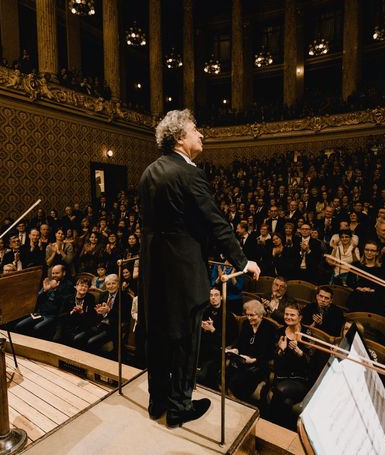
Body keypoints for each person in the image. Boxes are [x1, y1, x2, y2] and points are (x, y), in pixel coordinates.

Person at [138, 109, 260, 428]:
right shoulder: (189, 173)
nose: (201, 135)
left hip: (154, 270)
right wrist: (243, 261)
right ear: (180, 138)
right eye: (196, 130)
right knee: (185, 339)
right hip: (183, 271)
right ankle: (179, 407)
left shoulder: (149, 171)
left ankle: (157, 401)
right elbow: (215, 221)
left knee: (159, 337)